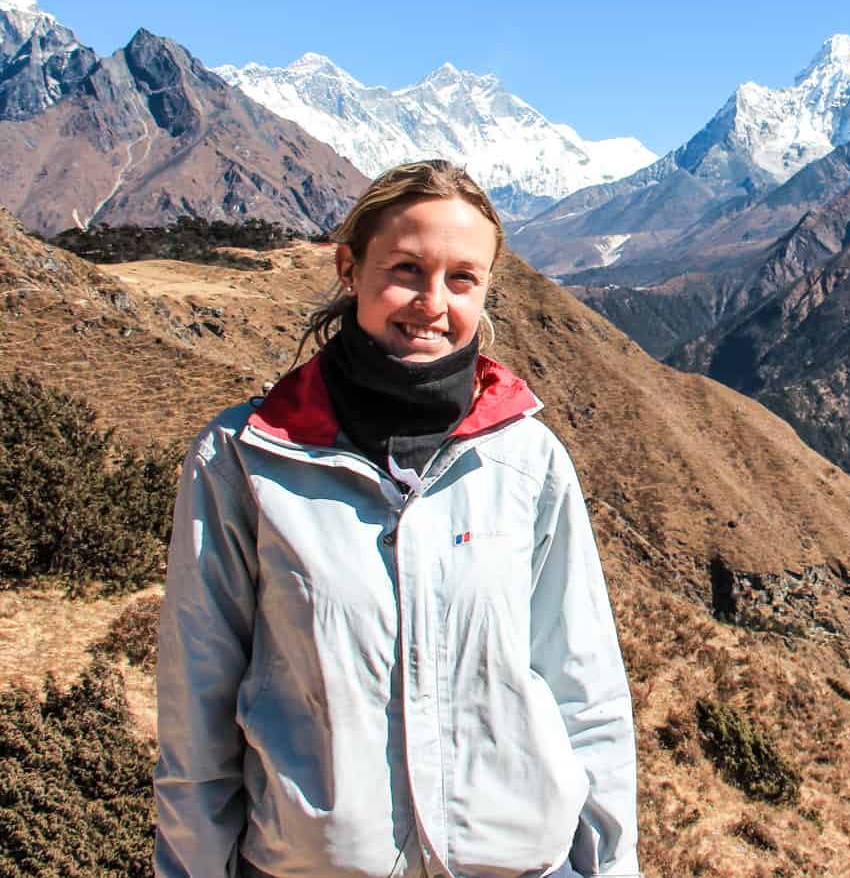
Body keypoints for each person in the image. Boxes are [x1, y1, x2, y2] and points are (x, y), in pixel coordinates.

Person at [154, 160, 640, 878]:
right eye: (407, 269)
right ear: (350, 267)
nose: (432, 303)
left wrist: (612, 865)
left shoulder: (527, 460)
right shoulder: (244, 461)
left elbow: (585, 691)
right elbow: (195, 715)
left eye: (462, 278)